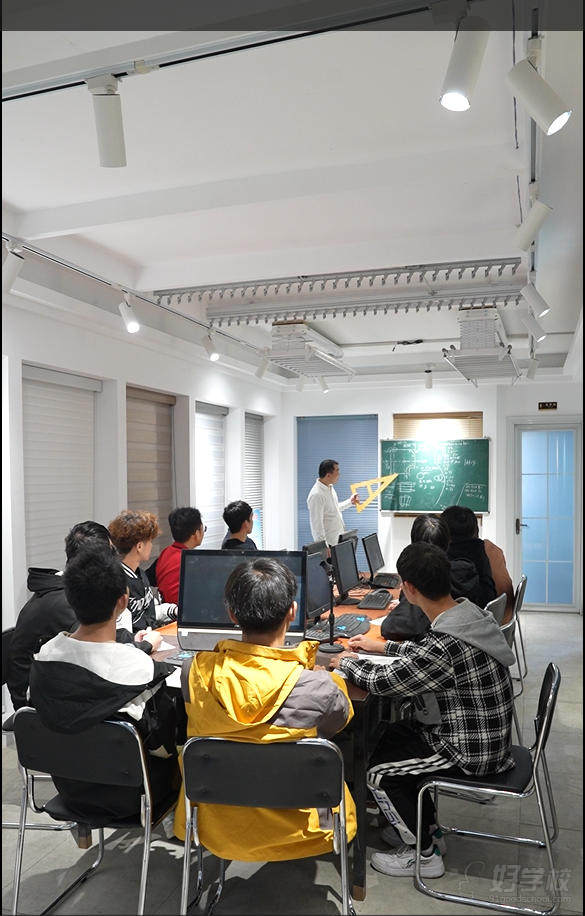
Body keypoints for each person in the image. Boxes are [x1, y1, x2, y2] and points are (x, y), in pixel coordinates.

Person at [329, 542, 515, 879]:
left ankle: (423, 855)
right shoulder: (466, 613)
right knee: (392, 736)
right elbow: (426, 655)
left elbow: (388, 681)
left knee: (378, 772)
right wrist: (384, 646)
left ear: (409, 588)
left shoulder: (446, 643)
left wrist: (346, 663)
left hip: (470, 751)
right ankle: (427, 830)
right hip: (484, 736)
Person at [174, 557, 357, 859]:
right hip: (307, 831)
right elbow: (339, 722)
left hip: (217, 826)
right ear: (292, 611)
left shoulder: (194, 672)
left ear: (231, 614)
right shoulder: (319, 687)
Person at [29, 546, 179, 821]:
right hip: (133, 797)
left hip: (68, 788)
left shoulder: (43, 657)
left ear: (70, 598)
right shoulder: (139, 670)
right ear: (123, 601)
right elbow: (164, 746)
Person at [6, 521, 161, 716]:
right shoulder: (72, 603)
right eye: (111, 553)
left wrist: (131, 641)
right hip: (47, 708)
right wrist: (143, 647)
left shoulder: (56, 593)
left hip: (44, 709)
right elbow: (97, 657)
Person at [381, 514, 485, 640]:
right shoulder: (465, 570)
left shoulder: (425, 579)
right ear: (448, 542)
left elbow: (393, 628)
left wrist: (404, 606)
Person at [108, 510, 177, 631]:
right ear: (139, 546)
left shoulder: (140, 574)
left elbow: (149, 613)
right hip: (136, 640)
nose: (151, 545)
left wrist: (173, 610)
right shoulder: (116, 580)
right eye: (149, 541)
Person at [440, 506, 497, 609]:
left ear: (444, 531)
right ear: (475, 529)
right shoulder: (481, 548)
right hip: (484, 611)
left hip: (456, 614)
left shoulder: (442, 555)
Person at [150, 507, 205, 605]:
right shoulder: (192, 561)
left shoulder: (165, 553)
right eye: (203, 529)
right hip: (183, 611)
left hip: (165, 609)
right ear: (196, 533)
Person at [306, 459, 360, 548]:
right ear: (328, 475)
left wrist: (350, 502)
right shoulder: (317, 495)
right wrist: (323, 547)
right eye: (337, 471)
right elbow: (316, 525)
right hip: (329, 544)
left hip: (338, 540)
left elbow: (334, 510)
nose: (339, 474)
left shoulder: (330, 488)